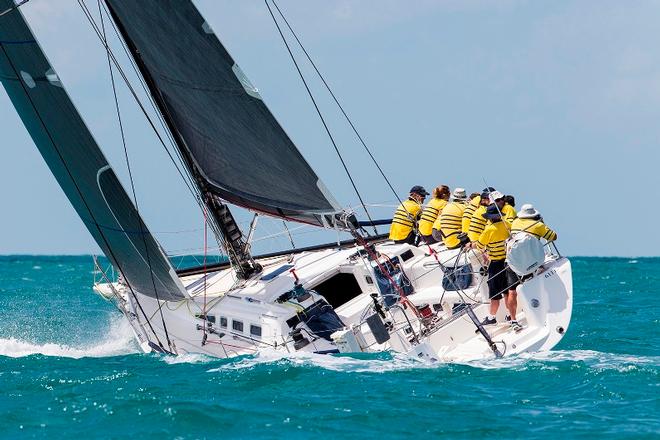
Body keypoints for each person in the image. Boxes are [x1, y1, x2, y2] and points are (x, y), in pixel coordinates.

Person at [504, 204, 558, 332]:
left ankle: (513, 320)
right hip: (532, 261)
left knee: (512, 291)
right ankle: (539, 311)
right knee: (535, 283)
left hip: (514, 262)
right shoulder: (538, 225)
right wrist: (542, 223)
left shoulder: (515, 222)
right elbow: (553, 237)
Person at [474, 204, 511, 326]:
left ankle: (492, 318)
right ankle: (510, 315)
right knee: (507, 291)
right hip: (508, 262)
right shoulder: (507, 225)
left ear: (489, 218)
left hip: (495, 264)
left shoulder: (488, 230)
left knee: (494, 294)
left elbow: (479, 246)